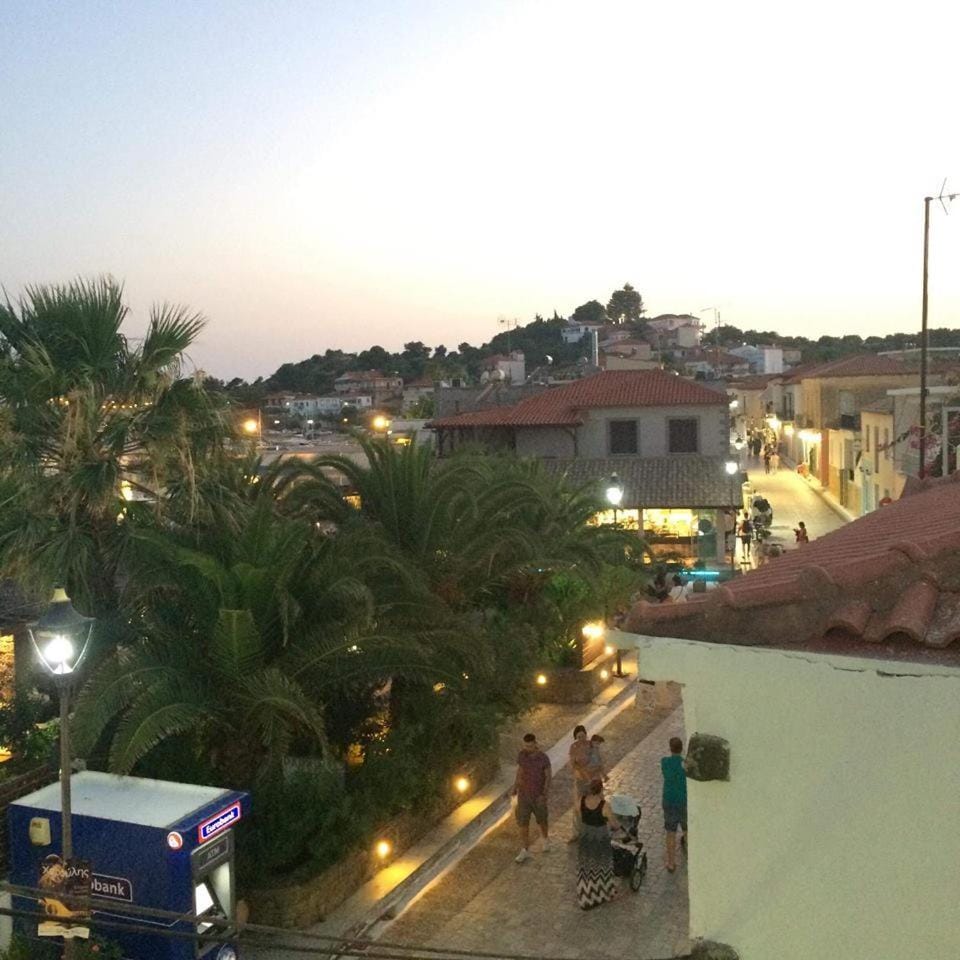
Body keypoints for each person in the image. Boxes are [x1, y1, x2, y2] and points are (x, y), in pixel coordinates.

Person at [577, 779, 618, 909]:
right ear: (601, 790)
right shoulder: (604, 805)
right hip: (600, 838)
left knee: (586, 865)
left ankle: (586, 895)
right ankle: (604, 893)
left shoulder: (581, 801)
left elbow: (579, 816)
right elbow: (614, 824)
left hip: (586, 836)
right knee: (603, 865)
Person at [513, 733, 551, 862]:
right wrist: (515, 787)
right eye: (526, 746)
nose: (528, 748)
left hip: (538, 795)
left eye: (530, 746)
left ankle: (545, 839)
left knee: (542, 820)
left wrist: (544, 794)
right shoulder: (522, 755)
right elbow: (520, 771)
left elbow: (548, 776)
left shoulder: (543, 758)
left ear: (535, 744)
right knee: (523, 822)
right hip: (524, 795)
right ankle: (525, 849)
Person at [661, 737, 688, 872]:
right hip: (683, 801)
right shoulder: (685, 764)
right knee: (687, 830)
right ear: (682, 748)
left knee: (670, 832)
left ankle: (671, 863)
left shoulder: (665, 762)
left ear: (670, 748)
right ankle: (691, 859)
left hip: (669, 800)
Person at [567, 725, 591, 842]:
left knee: (592, 805)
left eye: (583, 736)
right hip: (580, 780)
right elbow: (572, 764)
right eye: (578, 737)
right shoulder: (574, 747)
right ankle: (576, 832)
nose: (581, 738)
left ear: (586, 734)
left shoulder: (591, 746)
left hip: (591, 779)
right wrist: (580, 770)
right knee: (578, 807)